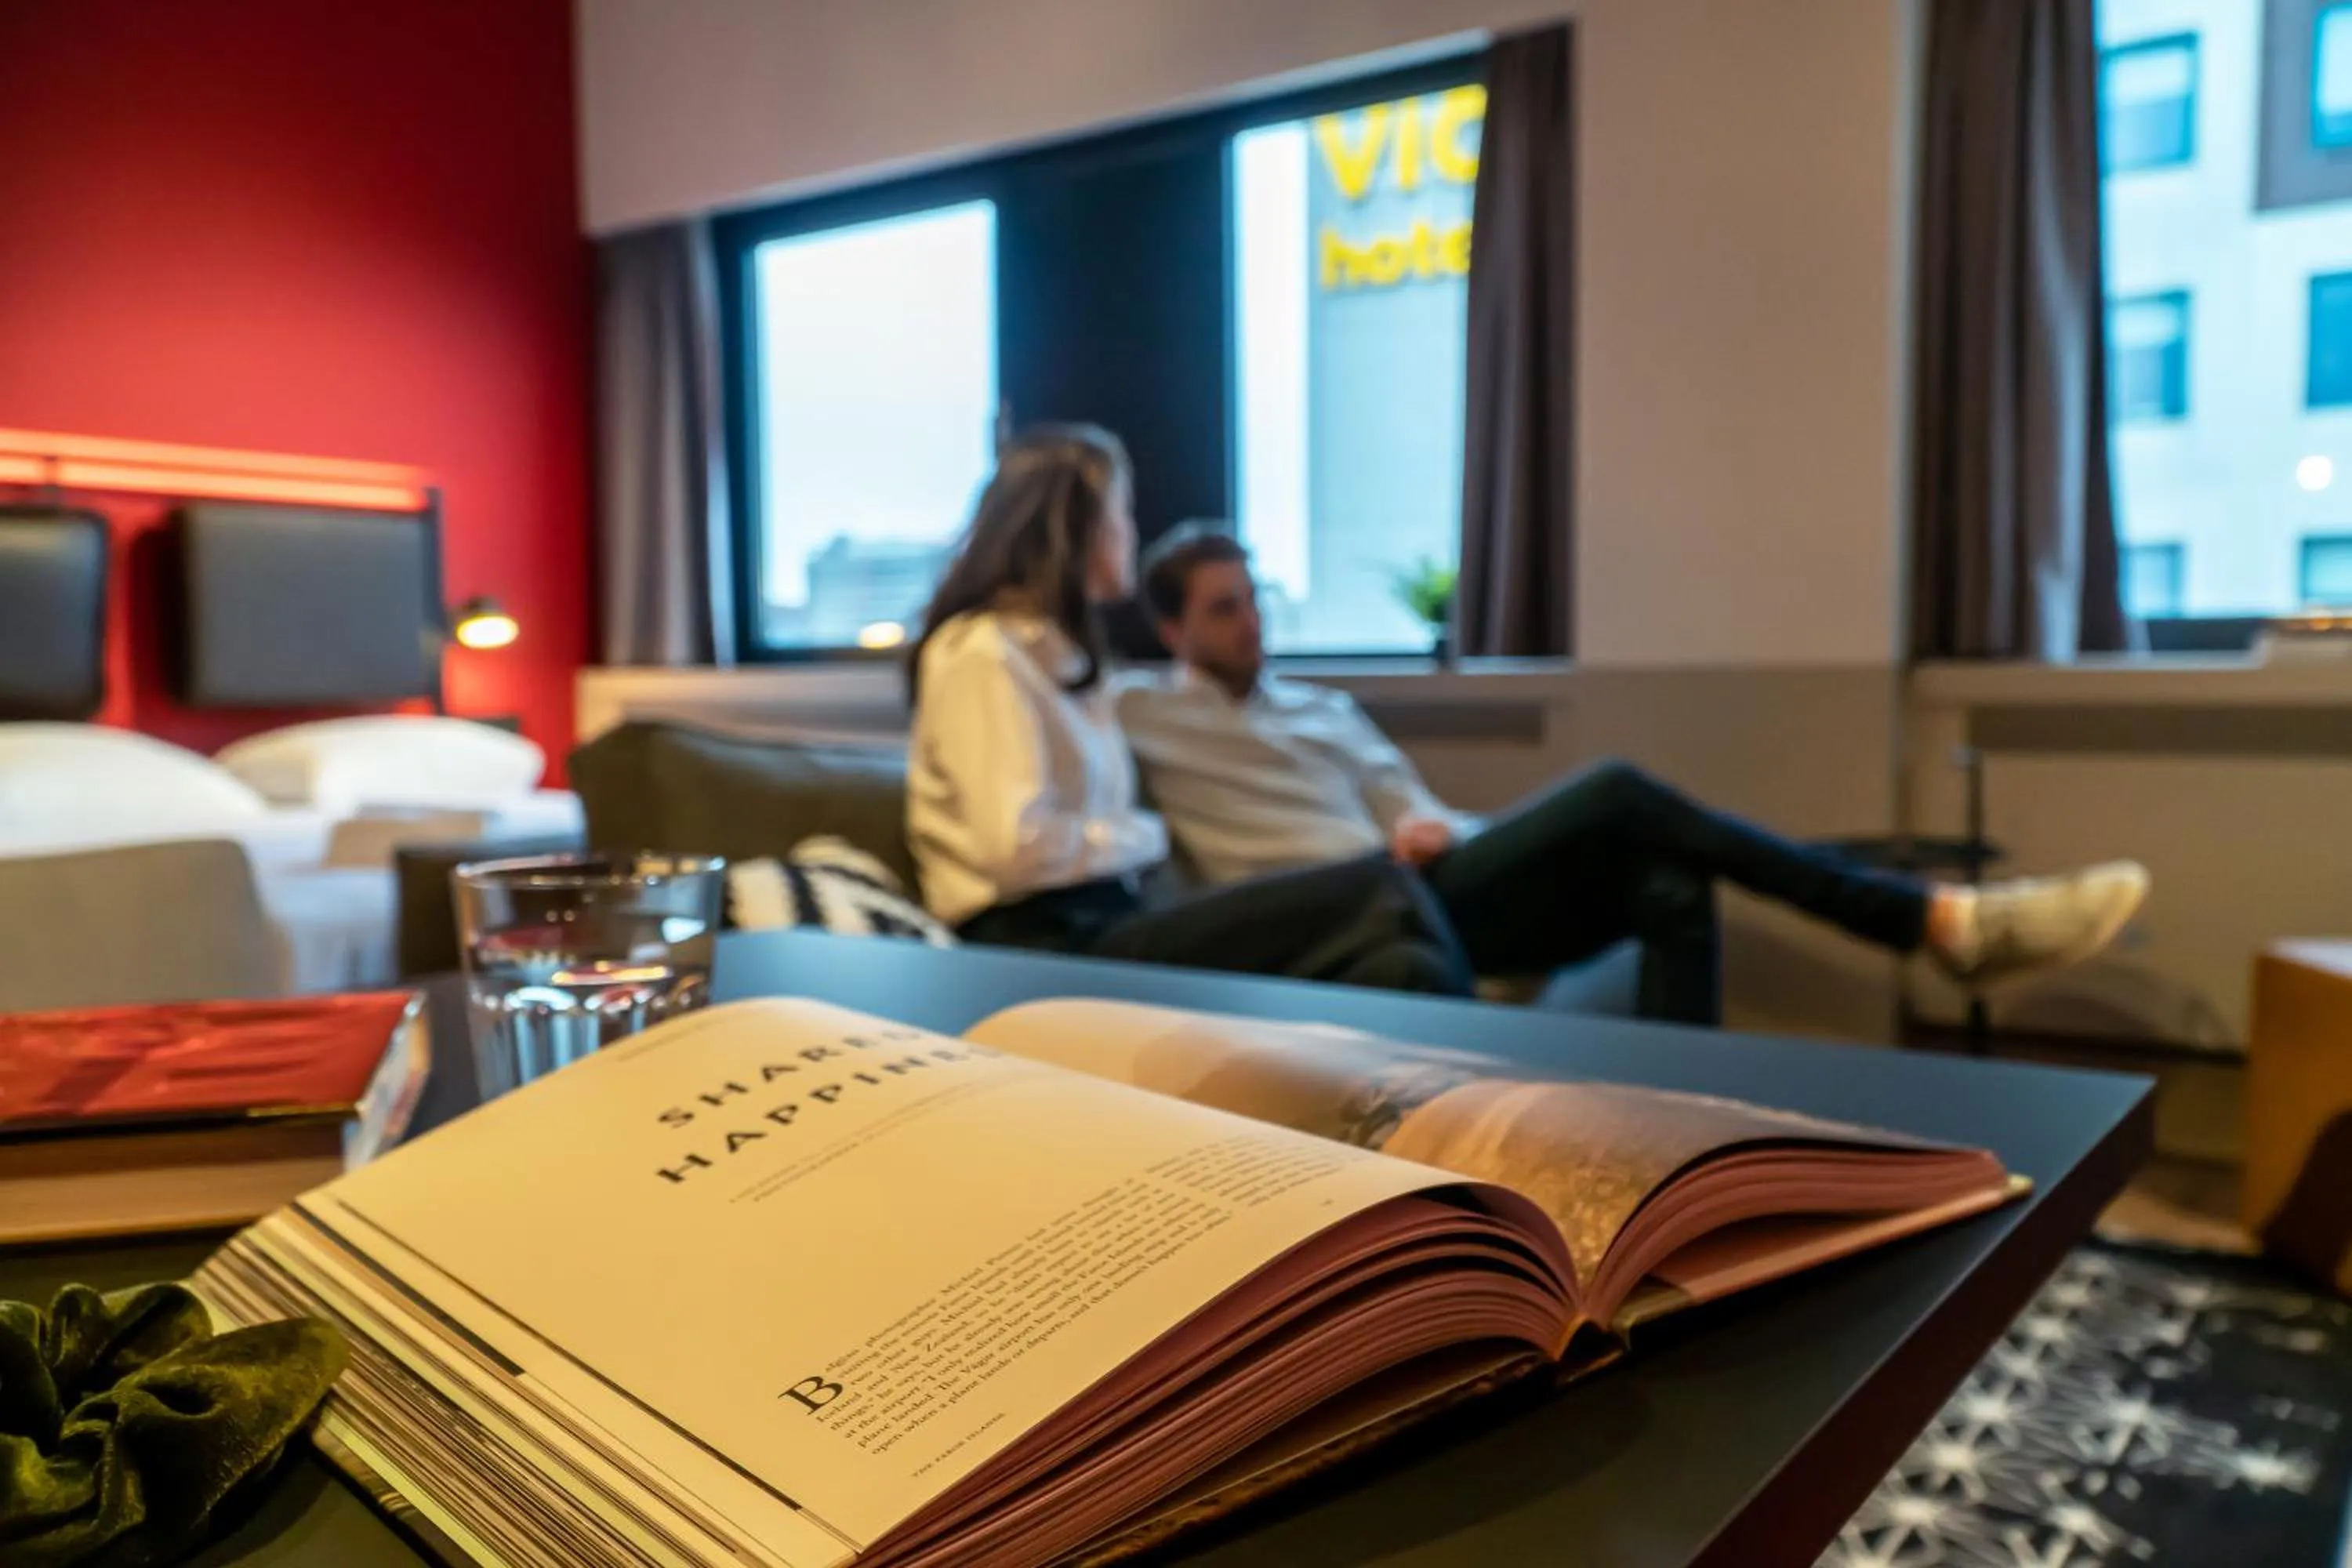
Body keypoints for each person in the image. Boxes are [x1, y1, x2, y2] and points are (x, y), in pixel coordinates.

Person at [1116, 524, 2151, 1025]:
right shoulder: (1140, 714)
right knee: (1617, 792)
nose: (1251, 623)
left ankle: (1679, 1129)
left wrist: (1431, 826)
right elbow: (1051, 712)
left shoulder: (1322, 709)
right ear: (1170, 629)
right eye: (1223, 608)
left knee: (1667, 881)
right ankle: (1932, 919)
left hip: (1429, 880)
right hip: (1329, 919)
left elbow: (1407, 802)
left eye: (1254, 600)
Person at [903, 426, 1475, 996]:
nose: (1130, 532)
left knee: (1403, 966)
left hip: (1103, 916)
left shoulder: (1063, 660)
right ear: (1076, 528)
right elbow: (1015, 851)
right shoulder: (983, 652)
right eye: (1121, 513)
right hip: (1042, 941)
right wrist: (1145, 836)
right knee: (1382, 887)